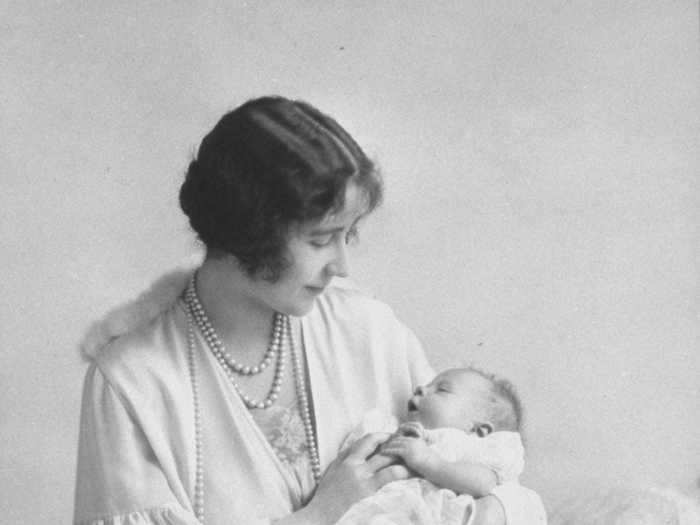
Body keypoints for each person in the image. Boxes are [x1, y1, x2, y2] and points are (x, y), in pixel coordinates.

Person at [74, 96, 543, 524]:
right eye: (320, 239)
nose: (341, 265)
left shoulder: (370, 332)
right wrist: (322, 515)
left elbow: (491, 488)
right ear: (248, 231)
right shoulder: (134, 381)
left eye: (348, 235)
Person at [335, 367, 545, 525]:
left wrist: (428, 461)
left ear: (478, 430)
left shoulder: (468, 447)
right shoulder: (393, 428)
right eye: (427, 385)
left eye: (442, 389)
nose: (421, 388)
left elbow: (484, 484)